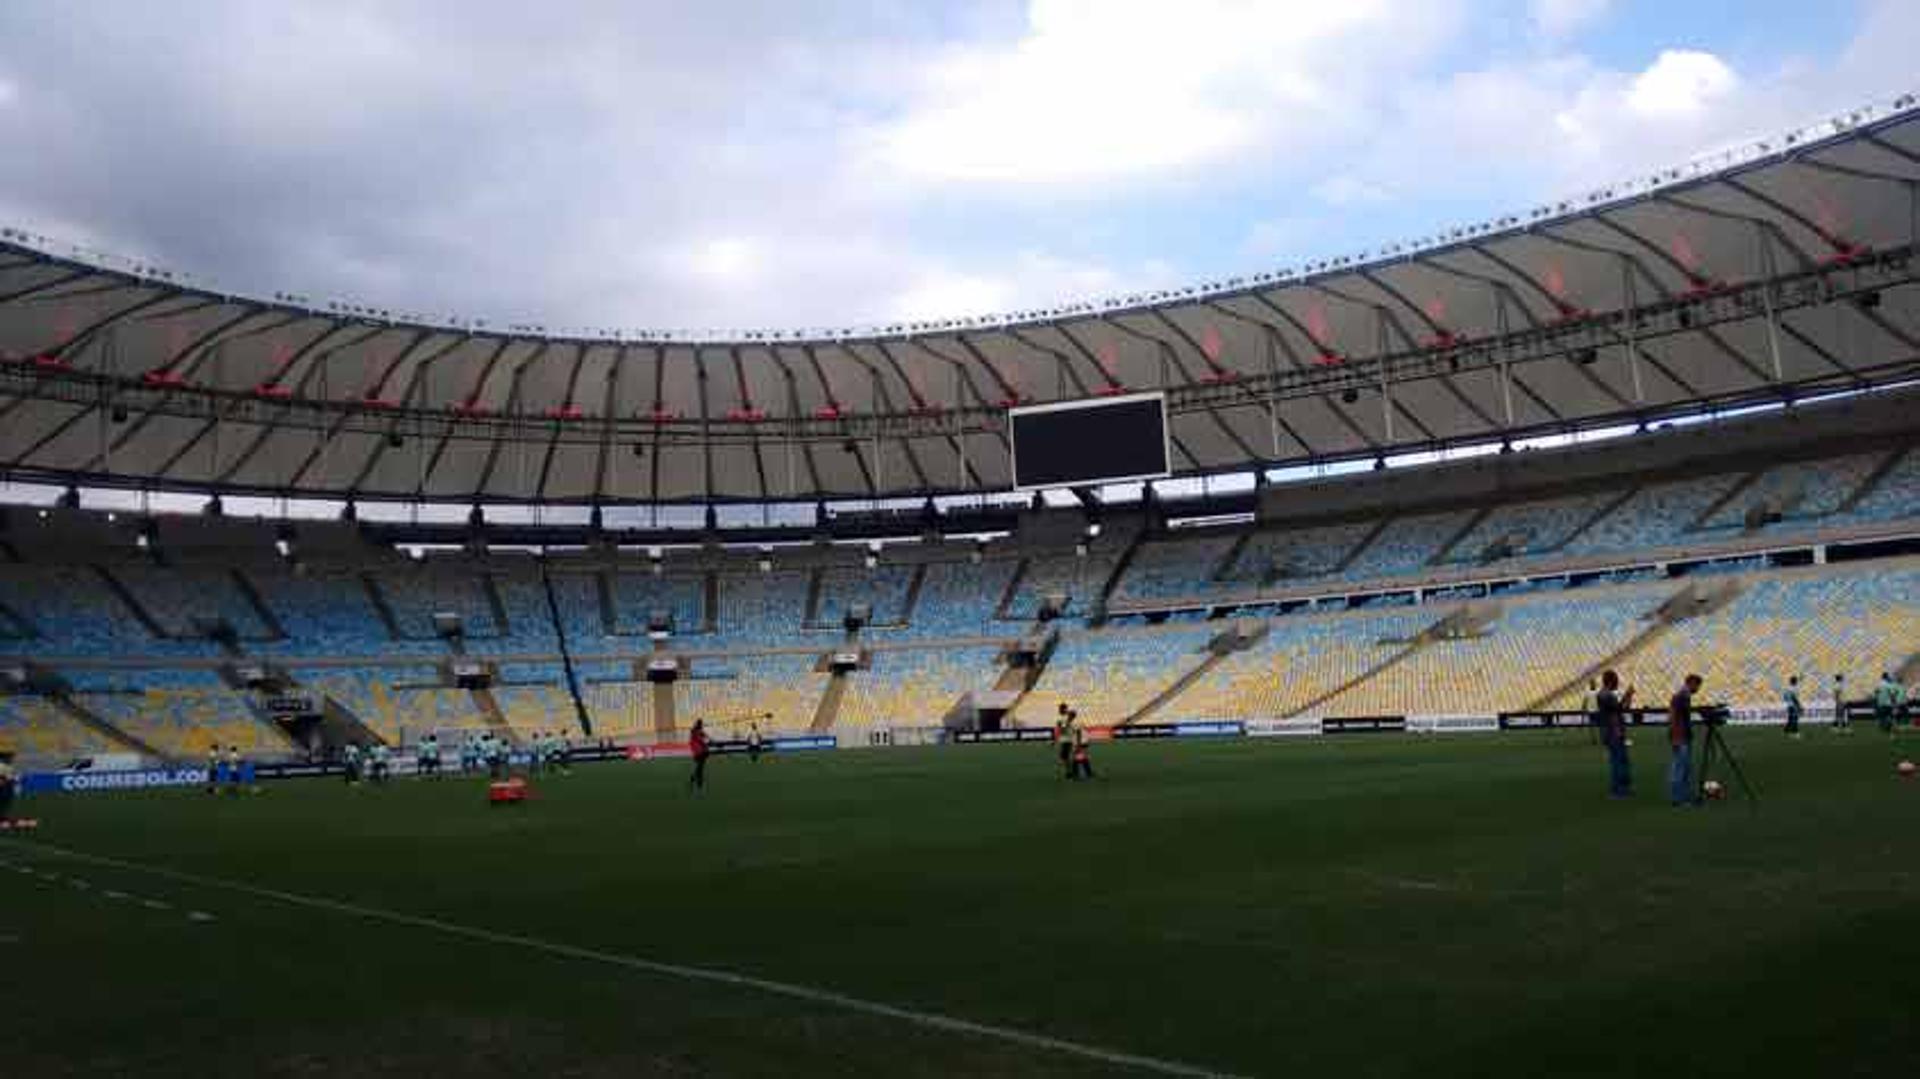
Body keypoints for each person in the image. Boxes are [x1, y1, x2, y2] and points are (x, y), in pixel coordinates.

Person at [1595, 669, 1635, 798]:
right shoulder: (1605, 695)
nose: (1618, 683)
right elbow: (1619, 709)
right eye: (1616, 680)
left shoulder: (1605, 694)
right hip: (1613, 733)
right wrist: (1627, 695)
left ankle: (1622, 788)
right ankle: (1618, 790)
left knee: (1621, 761)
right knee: (1618, 762)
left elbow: (1622, 709)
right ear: (1611, 681)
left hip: (1613, 732)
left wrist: (1628, 696)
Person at [1668, 674, 1704, 807]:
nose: (1698, 689)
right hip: (1680, 737)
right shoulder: (1682, 696)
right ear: (1692, 683)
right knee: (1680, 768)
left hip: (1682, 736)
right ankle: (1678, 798)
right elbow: (1674, 718)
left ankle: (1684, 797)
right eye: (1698, 685)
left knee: (1684, 768)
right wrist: (1676, 737)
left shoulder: (1682, 696)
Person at [688, 719, 710, 791]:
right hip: (699, 752)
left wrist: (708, 739)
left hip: (698, 751)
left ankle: (696, 780)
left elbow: (704, 736)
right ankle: (697, 781)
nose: (701, 725)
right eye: (701, 724)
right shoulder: (695, 731)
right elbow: (700, 739)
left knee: (700, 767)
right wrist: (707, 742)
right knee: (700, 767)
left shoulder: (696, 731)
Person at [0, 750, 18, 823]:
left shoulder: (8, 766)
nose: (11, 759)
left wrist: (14, 780)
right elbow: (4, 777)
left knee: (5, 802)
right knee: (3, 802)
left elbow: (10, 777)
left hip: (7, 786)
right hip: (3, 787)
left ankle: (2, 816)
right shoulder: (2, 766)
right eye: (10, 758)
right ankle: (2, 817)